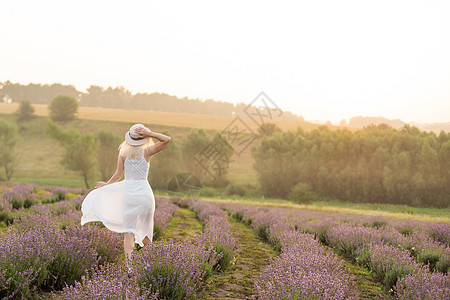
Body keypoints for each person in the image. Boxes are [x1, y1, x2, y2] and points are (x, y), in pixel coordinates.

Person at [80, 123, 171, 272]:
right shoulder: (147, 151)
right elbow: (167, 139)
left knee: (128, 232)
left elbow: (117, 175)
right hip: (144, 195)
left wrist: (106, 185)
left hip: (128, 195)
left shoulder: (123, 153)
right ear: (144, 138)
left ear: (129, 138)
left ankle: (129, 268)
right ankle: (149, 267)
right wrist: (150, 133)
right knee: (146, 233)